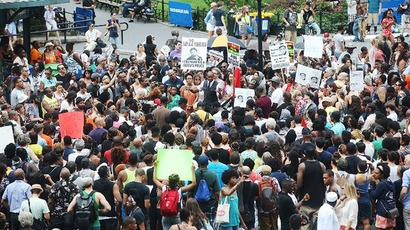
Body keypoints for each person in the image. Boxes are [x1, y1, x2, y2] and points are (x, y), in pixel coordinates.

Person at [153, 161, 196, 230]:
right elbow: (193, 183)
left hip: (165, 215)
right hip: (176, 215)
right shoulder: (180, 190)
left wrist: (155, 167)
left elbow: (154, 179)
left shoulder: (164, 188)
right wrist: (193, 170)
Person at [297, 147, 325, 230]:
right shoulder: (321, 165)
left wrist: (296, 195)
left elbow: (299, 184)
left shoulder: (302, 166)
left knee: (305, 226)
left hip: (305, 200)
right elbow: (324, 182)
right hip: (318, 200)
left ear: (305, 155)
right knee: (317, 226)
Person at [191, 155, 221, 226]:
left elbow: (189, 191)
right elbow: (217, 192)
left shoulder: (194, 175)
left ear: (198, 163)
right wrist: (218, 204)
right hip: (210, 205)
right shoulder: (213, 175)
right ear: (207, 163)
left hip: (196, 205)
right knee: (209, 225)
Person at [370, 164, 396, 229]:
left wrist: (372, 184)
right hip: (391, 211)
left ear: (382, 174)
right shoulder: (390, 183)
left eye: (376, 173)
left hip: (382, 212)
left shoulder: (382, 184)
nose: (374, 175)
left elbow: (373, 195)